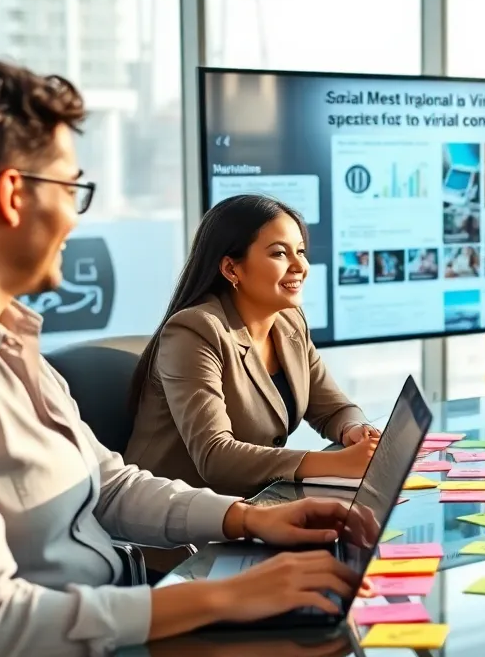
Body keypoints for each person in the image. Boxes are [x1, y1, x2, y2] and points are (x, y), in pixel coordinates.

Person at [0, 51, 365, 657]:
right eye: (72, 190)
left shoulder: (12, 343)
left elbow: (108, 486)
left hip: (106, 654)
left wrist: (249, 520)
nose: (77, 219)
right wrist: (221, 600)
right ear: (14, 194)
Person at [125, 195, 378, 499]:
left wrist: (356, 430)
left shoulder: (289, 321)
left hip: (252, 507)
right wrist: (336, 463)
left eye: (300, 251)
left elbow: (334, 408)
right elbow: (215, 457)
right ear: (232, 269)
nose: (300, 265)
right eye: (279, 254)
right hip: (179, 525)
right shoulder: (194, 330)